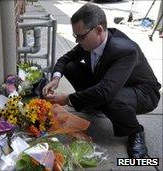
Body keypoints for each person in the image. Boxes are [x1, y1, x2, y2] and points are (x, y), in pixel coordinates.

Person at [43, 3, 161, 158]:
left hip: (142, 92)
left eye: (81, 37)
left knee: (111, 98)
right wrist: (55, 79)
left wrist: (68, 99)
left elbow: (106, 91)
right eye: (75, 37)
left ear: (98, 30)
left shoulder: (125, 50)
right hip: (111, 83)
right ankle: (93, 104)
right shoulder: (89, 41)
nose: (78, 41)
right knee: (71, 66)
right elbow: (65, 59)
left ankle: (135, 130)